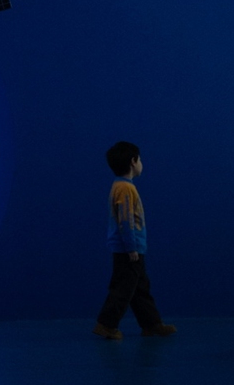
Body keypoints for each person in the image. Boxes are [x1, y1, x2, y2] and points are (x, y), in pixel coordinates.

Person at [93, 141, 177, 340]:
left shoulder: (119, 186)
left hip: (129, 248)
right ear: (133, 161)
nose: (141, 163)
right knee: (123, 289)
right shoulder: (126, 189)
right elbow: (126, 220)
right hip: (129, 250)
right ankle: (106, 324)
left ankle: (152, 324)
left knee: (139, 288)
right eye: (140, 159)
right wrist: (132, 248)